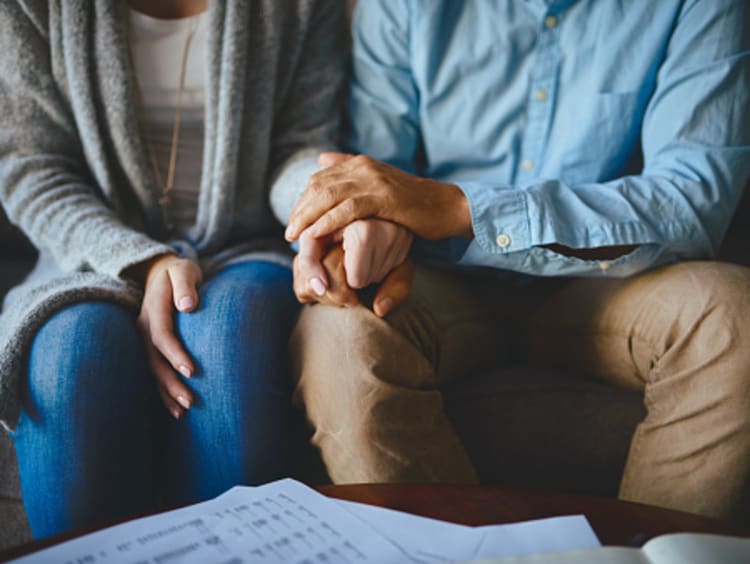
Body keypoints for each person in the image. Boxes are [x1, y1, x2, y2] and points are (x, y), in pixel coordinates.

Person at [279, 0, 750, 522]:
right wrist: (366, 234)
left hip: (610, 281)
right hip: (439, 280)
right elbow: (374, 171)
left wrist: (459, 208)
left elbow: (691, 201)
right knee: (339, 334)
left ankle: (647, 554)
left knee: (734, 317)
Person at [0, 0, 345, 538]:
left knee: (229, 333)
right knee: (70, 353)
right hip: (91, 249)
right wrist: (142, 261)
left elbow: (300, 146)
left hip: (246, 244)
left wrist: (323, 199)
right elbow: (30, 167)